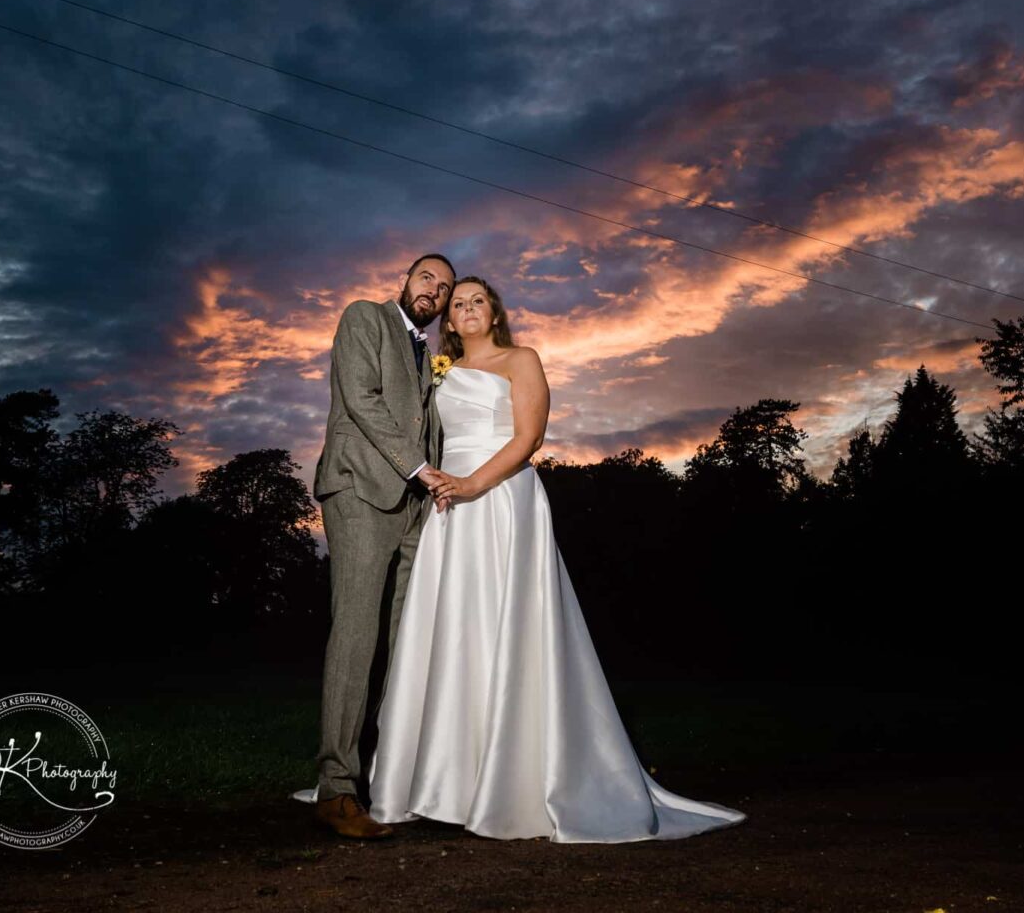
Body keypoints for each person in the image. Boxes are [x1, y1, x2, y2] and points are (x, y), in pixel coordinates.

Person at [364, 275, 746, 842]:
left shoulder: (523, 359)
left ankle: (514, 783)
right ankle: (445, 781)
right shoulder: (434, 372)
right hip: (450, 506)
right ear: (448, 320)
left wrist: (471, 486)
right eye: (457, 303)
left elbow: (527, 440)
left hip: (502, 499)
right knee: (454, 631)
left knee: (512, 628)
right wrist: (439, 484)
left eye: (477, 300)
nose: (467, 308)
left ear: (494, 313)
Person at [299, 253, 457, 839]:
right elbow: (362, 399)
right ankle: (336, 787)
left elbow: (431, 424)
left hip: (418, 507)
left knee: (404, 641)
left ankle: (388, 778)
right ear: (405, 279)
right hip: (362, 491)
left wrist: (439, 483)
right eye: (426, 279)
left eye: (443, 288)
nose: (434, 292)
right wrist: (422, 468)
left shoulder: (436, 358)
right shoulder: (365, 317)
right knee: (357, 632)